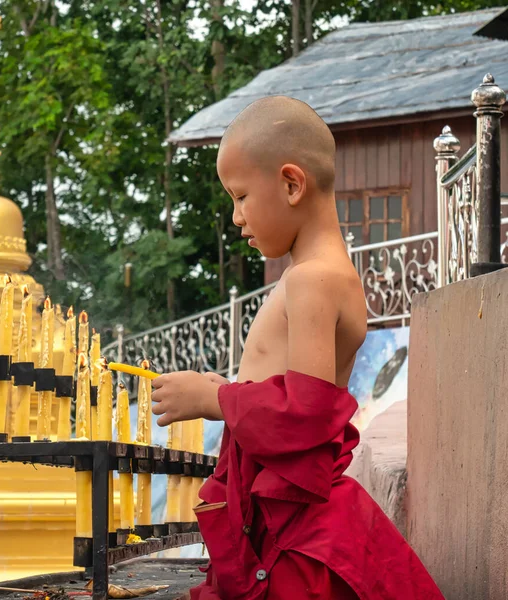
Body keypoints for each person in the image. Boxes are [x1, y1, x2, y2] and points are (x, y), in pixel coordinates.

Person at [151, 96, 444, 599]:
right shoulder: (319, 276)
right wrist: (234, 390)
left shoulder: (312, 280)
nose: (236, 217)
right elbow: (288, 390)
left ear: (291, 184)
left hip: (297, 533)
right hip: (284, 520)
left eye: (241, 197)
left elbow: (305, 414)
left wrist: (213, 400)